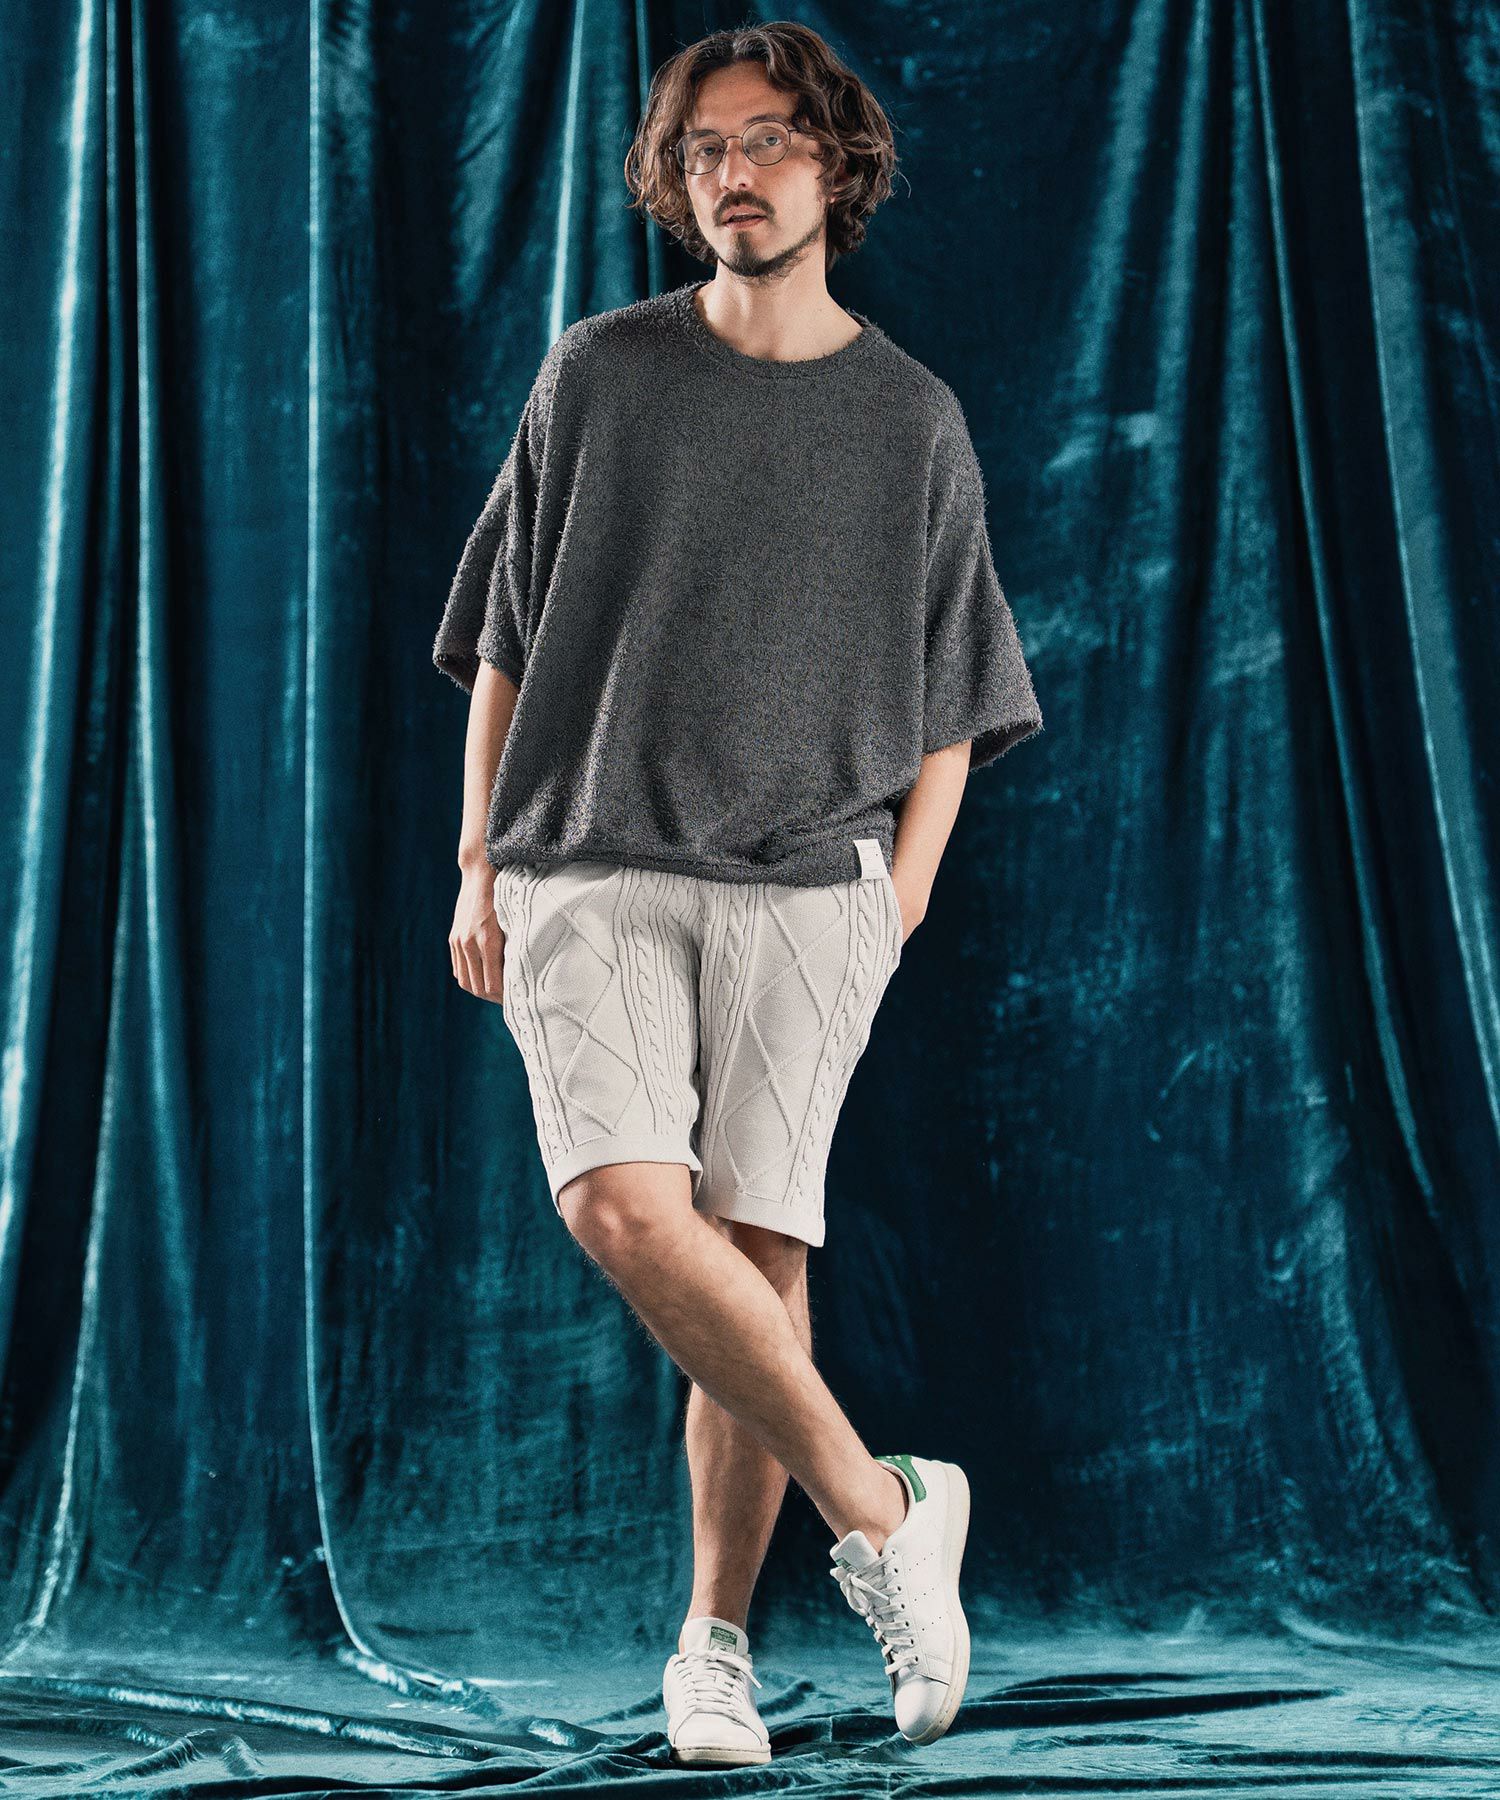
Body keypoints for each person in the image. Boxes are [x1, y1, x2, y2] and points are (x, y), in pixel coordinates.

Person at [434, 19, 1042, 1769]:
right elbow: (503, 638)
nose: (733, 173)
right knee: (626, 1209)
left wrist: (898, 904)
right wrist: (478, 860)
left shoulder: (911, 421)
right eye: (702, 149)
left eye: (767, 139)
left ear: (834, 163)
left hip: (812, 891)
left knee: (762, 1262)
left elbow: (956, 701)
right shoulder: (598, 375)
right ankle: (889, 1510)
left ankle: (713, 1651)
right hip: (587, 862)